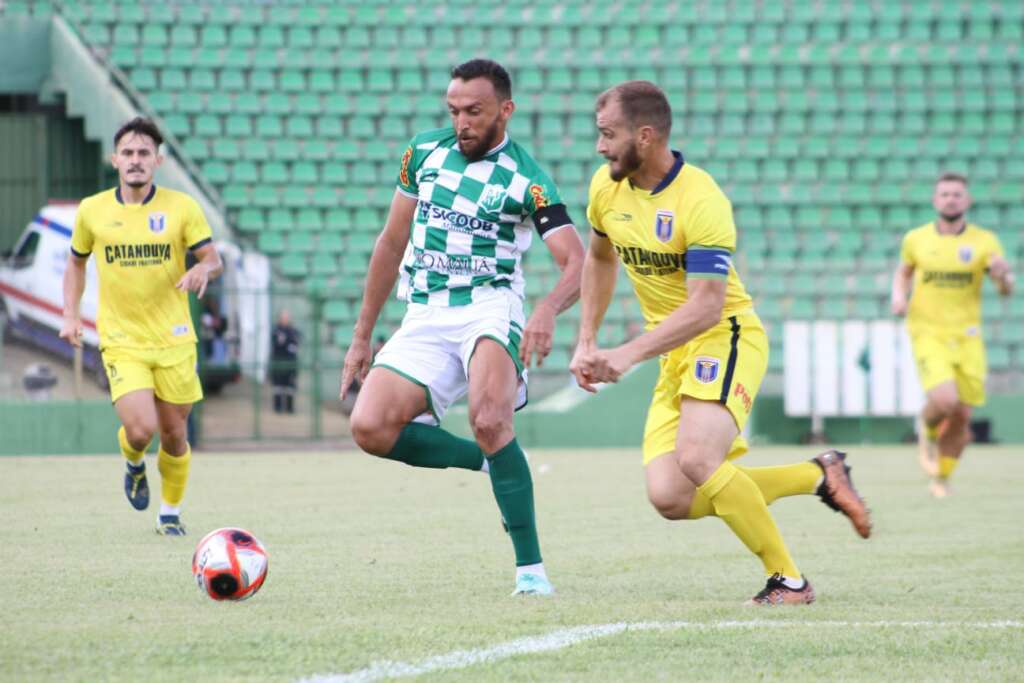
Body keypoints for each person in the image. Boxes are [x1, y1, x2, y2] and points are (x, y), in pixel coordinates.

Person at [570, 81, 871, 606]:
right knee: (670, 497)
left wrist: (627, 353)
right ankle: (817, 474)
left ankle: (789, 581)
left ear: (645, 136)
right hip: (673, 350)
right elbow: (599, 258)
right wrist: (587, 340)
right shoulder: (605, 187)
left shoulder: (701, 198)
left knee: (696, 458)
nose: (600, 146)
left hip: (723, 335)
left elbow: (707, 306)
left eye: (608, 134)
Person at [340, 59, 584, 596]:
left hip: (489, 308)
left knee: (490, 419)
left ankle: (531, 572)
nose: (462, 123)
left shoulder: (528, 180)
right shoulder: (423, 153)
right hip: (425, 312)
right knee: (369, 428)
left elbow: (576, 262)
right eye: (453, 111)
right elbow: (391, 242)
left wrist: (546, 310)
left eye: (474, 111)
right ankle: (490, 463)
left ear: (505, 110)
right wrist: (362, 335)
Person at [60, 117, 223, 536]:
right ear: (114, 159)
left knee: (174, 435)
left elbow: (212, 258)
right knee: (140, 429)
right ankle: (134, 462)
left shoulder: (182, 207)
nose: (136, 160)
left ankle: (169, 513)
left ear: (158, 161)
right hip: (122, 339)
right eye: (128, 153)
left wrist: (203, 269)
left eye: (144, 153)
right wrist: (70, 315)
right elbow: (75, 264)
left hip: (174, 339)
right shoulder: (92, 210)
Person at [891, 173, 1014, 498]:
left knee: (962, 414)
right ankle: (927, 426)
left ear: (967, 200)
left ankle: (941, 477)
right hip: (928, 331)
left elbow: (1005, 289)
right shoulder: (916, 239)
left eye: (957, 194)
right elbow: (903, 273)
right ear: (935, 200)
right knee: (946, 400)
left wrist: (1004, 277)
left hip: (968, 336)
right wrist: (899, 296)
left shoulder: (984, 241)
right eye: (945, 194)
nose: (951, 199)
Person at [271, 309, 301, 414]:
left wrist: (287, 343)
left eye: (287, 317)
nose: (286, 319)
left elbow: (296, 342)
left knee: (290, 387)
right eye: (284, 317)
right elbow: (277, 344)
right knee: (278, 387)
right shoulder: (276, 330)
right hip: (279, 362)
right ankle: (278, 407)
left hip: (290, 363)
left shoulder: (293, 331)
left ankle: (289, 408)